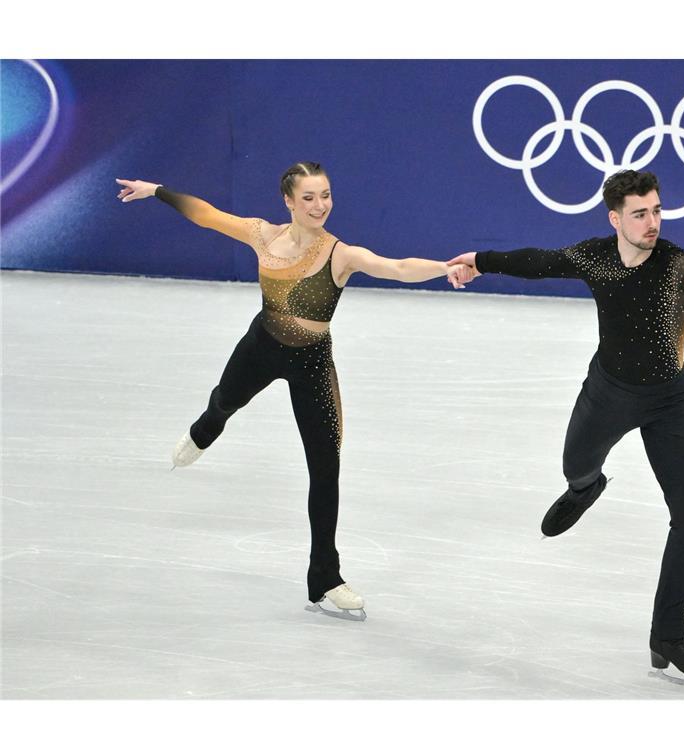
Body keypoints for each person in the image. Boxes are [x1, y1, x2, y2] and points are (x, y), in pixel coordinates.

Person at [448, 170, 684, 687]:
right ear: (615, 219)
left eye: (657, 211)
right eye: (640, 214)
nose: (653, 222)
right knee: (575, 466)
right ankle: (585, 488)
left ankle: (668, 634)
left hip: (669, 401)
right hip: (607, 393)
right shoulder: (595, 257)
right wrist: (480, 260)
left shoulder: (674, 264)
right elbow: (538, 262)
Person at [117, 162, 474, 621]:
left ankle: (325, 576)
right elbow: (206, 215)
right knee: (224, 401)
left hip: (313, 365)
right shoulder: (262, 235)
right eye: (308, 197)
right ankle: (205, 430)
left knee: (325, 471)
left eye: (325, 195)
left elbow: (397, 267)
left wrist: (444, 268)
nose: (319, 205)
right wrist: (156, 190)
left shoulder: (339, 254)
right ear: (288, 201)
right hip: (261, 347)